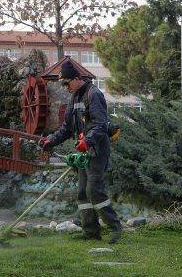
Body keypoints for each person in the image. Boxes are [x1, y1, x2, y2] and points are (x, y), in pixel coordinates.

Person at [40, 60, 122, 244]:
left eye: (66, 83)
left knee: (93, 190)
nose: (65, 87)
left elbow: (100, 125)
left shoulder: (94, 95)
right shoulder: (74, 98)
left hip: (97, 150)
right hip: (84, 151)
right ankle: (91, 231)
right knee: (83, 194)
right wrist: (50, 140)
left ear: (77, 79)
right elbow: (67, 128)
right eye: (63, 84)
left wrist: (87, 141)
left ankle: (115, 227)